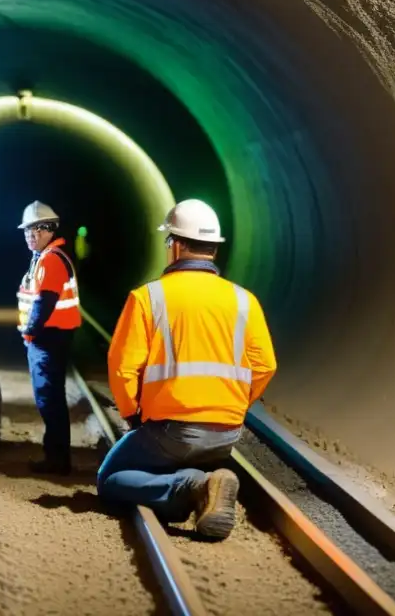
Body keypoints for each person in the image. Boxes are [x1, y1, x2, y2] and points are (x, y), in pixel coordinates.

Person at [96, 199, 277, 538]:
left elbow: (122, 367)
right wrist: (234, 408)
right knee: (180, 451)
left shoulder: (148, 297)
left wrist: (132, 415)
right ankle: (204, 481)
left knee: (111, 479)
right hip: (226, 434)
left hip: (171, 432)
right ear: (213, 249)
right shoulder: (244, 300)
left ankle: (191, 488)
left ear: (176, 245)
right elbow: (265, 365)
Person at [16, 201, 82, 474]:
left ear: (51, 230)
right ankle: (56, 456)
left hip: (48, 339)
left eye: (38, 229)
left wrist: (30, 331)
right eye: (27, 230)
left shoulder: (51, 259)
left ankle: (57, 460)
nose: (31, 235)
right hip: (51, 337)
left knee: (49, 399)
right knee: (50, 397)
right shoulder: (45, 257)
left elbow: (45, 301)